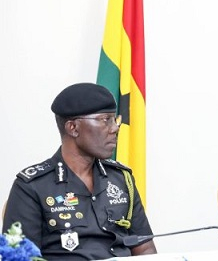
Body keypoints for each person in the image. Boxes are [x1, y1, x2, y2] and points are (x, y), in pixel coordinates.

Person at [2, 83, 157, 260]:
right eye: (105, 119)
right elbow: (17, 257)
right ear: (73, 128)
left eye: (115, 119)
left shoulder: (121, 179)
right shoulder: (32, 187)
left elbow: (145, 250)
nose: (115, 128)